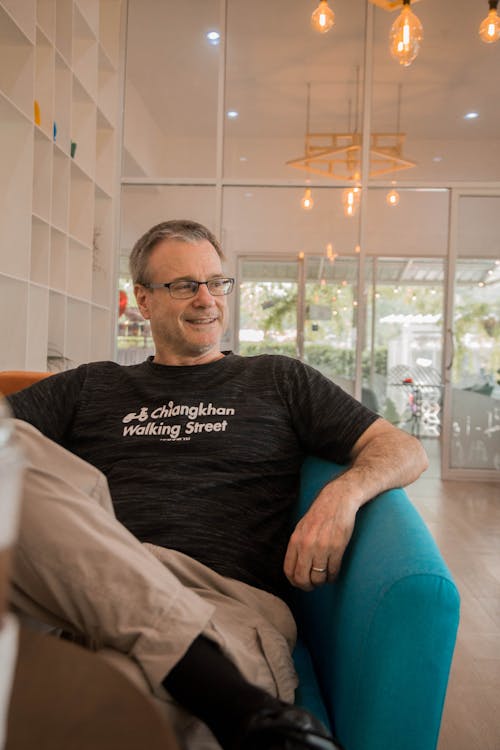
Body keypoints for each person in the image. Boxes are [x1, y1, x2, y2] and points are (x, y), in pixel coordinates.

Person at [7, 220, 428, 750]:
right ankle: (234, 702)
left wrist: (342, 495)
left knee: (108, 704)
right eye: (184, 285)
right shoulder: (92, 385)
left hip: (221, 600)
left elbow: (404, 448)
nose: (206, 299)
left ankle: (200, 678)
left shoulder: (278, 379)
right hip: (92, 579)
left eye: (216, 282)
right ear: (143, 298)